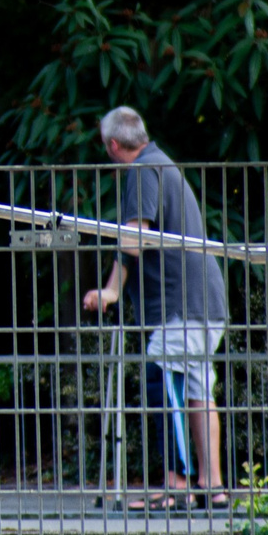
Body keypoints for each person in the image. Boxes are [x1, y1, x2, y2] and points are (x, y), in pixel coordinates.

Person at [80, 107, 229, 508]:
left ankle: (176, 486)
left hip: (180, 303)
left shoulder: (144, 171)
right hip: (206, 299)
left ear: (113, 145)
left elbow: (134, 238)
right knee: (197, 391)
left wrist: (111, 289)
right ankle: (212, 487)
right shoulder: (164, 165)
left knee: (162, 382)